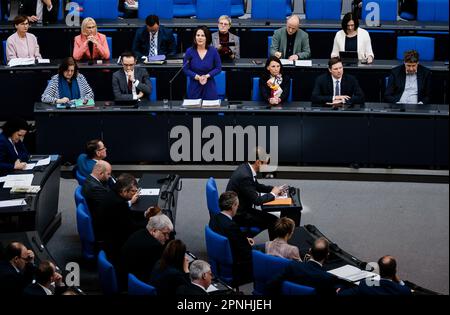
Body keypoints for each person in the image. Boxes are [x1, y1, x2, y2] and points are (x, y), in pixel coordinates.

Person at [226, 146, 287, 240]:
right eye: (265, 163)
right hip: (239, 214)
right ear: (258, 162)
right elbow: (257, 200)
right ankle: (274, 248)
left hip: (241, 207)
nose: (267, 166)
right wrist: (273, 194)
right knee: (274, 221)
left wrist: (274, 189)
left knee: (270, 219)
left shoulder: (245, 168)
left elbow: (257, 186)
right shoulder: (245, 176)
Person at [267, 238, 349, 295]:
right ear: (327, 255)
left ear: (310, 251)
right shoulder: (327, 278)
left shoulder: (293, 266)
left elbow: (271, 284)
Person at [209, 191, 254, 285]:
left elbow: (230, 238)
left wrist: (244, 239)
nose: (237, 208)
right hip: (237, 267)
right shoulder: (231, 226)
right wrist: (250, 246)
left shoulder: (214, 219)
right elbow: (246, 253)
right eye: (237, 205)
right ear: (233, 206)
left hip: (218, 264)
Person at [98, 173, 140, 264]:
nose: (135, 193)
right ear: (124, 191)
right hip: (117, 240)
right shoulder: (119, 204)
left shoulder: (112, 192)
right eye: (133, 191)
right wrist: (148, 222)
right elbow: (131, 227)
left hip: (110, 230)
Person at [121, 214, 174, 283]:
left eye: (168, 234)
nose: (167, 238)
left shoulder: (140, 232)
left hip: (125, 274)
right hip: (134, 282)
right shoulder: (154, 246)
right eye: (165, 234)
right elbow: (159, 271)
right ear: (154, 231)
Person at [339, 255, 412, 295]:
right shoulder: (403, 291)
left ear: (379, 270)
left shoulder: (365, 285)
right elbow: (406, 290)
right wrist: (399, 282)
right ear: (394, 271)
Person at [184, 25, 222, 100]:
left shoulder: (213, 51)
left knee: (210, 109)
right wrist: (197, 77)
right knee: (194, 110)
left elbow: (218, 68)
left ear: (207, 38)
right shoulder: (189, 51)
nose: (200, 37)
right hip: (194, 86)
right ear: (195, 37)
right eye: (198, 35)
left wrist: (207, 76)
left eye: (203, 35)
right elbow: (185, 69)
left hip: (209, 85)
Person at [81, 160, 112, 240]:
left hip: (97, 215)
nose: (110, 177)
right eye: (108, 174)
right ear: (101, 174)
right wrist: (129, 202)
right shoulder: (95, 188)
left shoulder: (90, 179)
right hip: (102, 226)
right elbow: (110, 207)